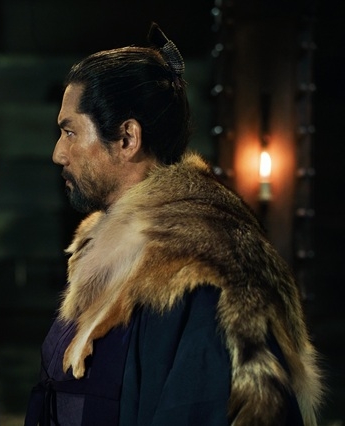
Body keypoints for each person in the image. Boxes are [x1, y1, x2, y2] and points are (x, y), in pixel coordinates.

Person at [25, 23, 323, 425]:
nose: (59, 153)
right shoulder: (108, 253)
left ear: (127, 138)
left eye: (69, 132)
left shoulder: (200, 269)